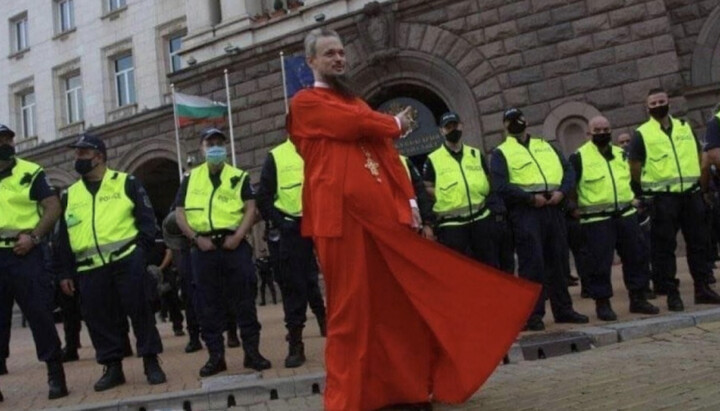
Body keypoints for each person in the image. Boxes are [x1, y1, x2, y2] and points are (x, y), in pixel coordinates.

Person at [287, 28, 540, 411]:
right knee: (351, 311)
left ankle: (404, 388)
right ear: (311, 63)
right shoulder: (306, 103)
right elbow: (352, 125)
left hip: (383, 222)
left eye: (341, 52)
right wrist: (393, 125)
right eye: (328, 54)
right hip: (342, 223)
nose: (338, 59)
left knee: (397, 305)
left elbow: (387, 156)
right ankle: (350, 397)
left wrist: (407, 205)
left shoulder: (354, 101)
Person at [57, 134, 166, 391]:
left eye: (83, 153)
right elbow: (62, 239)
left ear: (99, 156)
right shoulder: (70, 195)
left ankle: (151, 362)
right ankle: (112, 367)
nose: (78, 159)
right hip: (90, 268)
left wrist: (140, 254)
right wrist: (65, 272)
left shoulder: (126, 182)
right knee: (99, 320)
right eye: (76, 154)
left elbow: (147, 222)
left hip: (127, 261)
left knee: (141, 313)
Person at [174, 128, 271, 377]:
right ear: (201, 148)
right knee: (207, 305)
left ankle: (252, 353)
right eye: (210, 143)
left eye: (219, 143)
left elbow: (250, 207)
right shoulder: (190, 178)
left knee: (244, 300)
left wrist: (239, 236)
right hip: (203, 248)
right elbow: (180, 213)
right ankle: (216, 357)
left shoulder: (238, 176)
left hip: (233, 246)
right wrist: (195, 238)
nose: (215, 147)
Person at [491, 108, 589, 331]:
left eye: (518, 119)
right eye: (510, 121)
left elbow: (568, 171)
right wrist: (529, 199)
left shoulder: (545, 146)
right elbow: (500, 185)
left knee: (559, 262)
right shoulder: (501, 152)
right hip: (526, 212)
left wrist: (562, 192)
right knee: (531, 264)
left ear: (526, 121)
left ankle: (563, 310)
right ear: (504, 126)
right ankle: (532, 316)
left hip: (553, 207)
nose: (515, 124)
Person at [628, 88, 720, 310]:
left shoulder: (684, 127)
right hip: (663, 198)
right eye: (654, 102)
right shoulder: (642, 133)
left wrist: (700, 185)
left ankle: (702, 288)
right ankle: (672, 293)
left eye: (662, 101)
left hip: (690, 194)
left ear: (669, 103)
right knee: (664, 248)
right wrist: (649, 188)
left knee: (699, 243)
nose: (658, 105)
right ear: (647, 107)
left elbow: (700, 156)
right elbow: (635, 167)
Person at [0, 124, 68, 399]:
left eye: (8, 139)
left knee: (40, 315)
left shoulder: (30, 171)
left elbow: (52, 206)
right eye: (1, 139)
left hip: (26, 253)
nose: (6, 143)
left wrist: (35, 237)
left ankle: (55, 375)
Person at [568, 116, 660, 320]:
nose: (602, 133)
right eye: (597, 130)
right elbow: (570, 187)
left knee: (636, 257)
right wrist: (573, 208)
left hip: (626, 215)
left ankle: (638, 299)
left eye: (606, 129)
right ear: (588, 133)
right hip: (597, 220)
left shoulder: (620, 154)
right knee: (600, 264)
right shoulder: (579, 157)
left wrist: (636, 198)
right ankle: (603, 304)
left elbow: (632, 180)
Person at [257, 137, 327, 368]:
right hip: (293, 229)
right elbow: (264, 198)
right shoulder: (276, 156)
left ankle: (331, 325)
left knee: (329, 281)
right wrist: (282, 222)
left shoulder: (321, 148)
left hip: (324, 224)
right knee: (293, 286)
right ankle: (296, 344)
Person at [423, 112, 507, 270]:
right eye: (448, 127)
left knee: (490, 267)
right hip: (452, 226)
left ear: (461, 126)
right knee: (462, 270)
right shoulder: (432, 159)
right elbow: (427, 186)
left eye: (455, 125)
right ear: (441, 131)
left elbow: (488, 179)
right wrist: (442, 196)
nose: (452, 129)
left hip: (481, 220)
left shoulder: (475, 154)